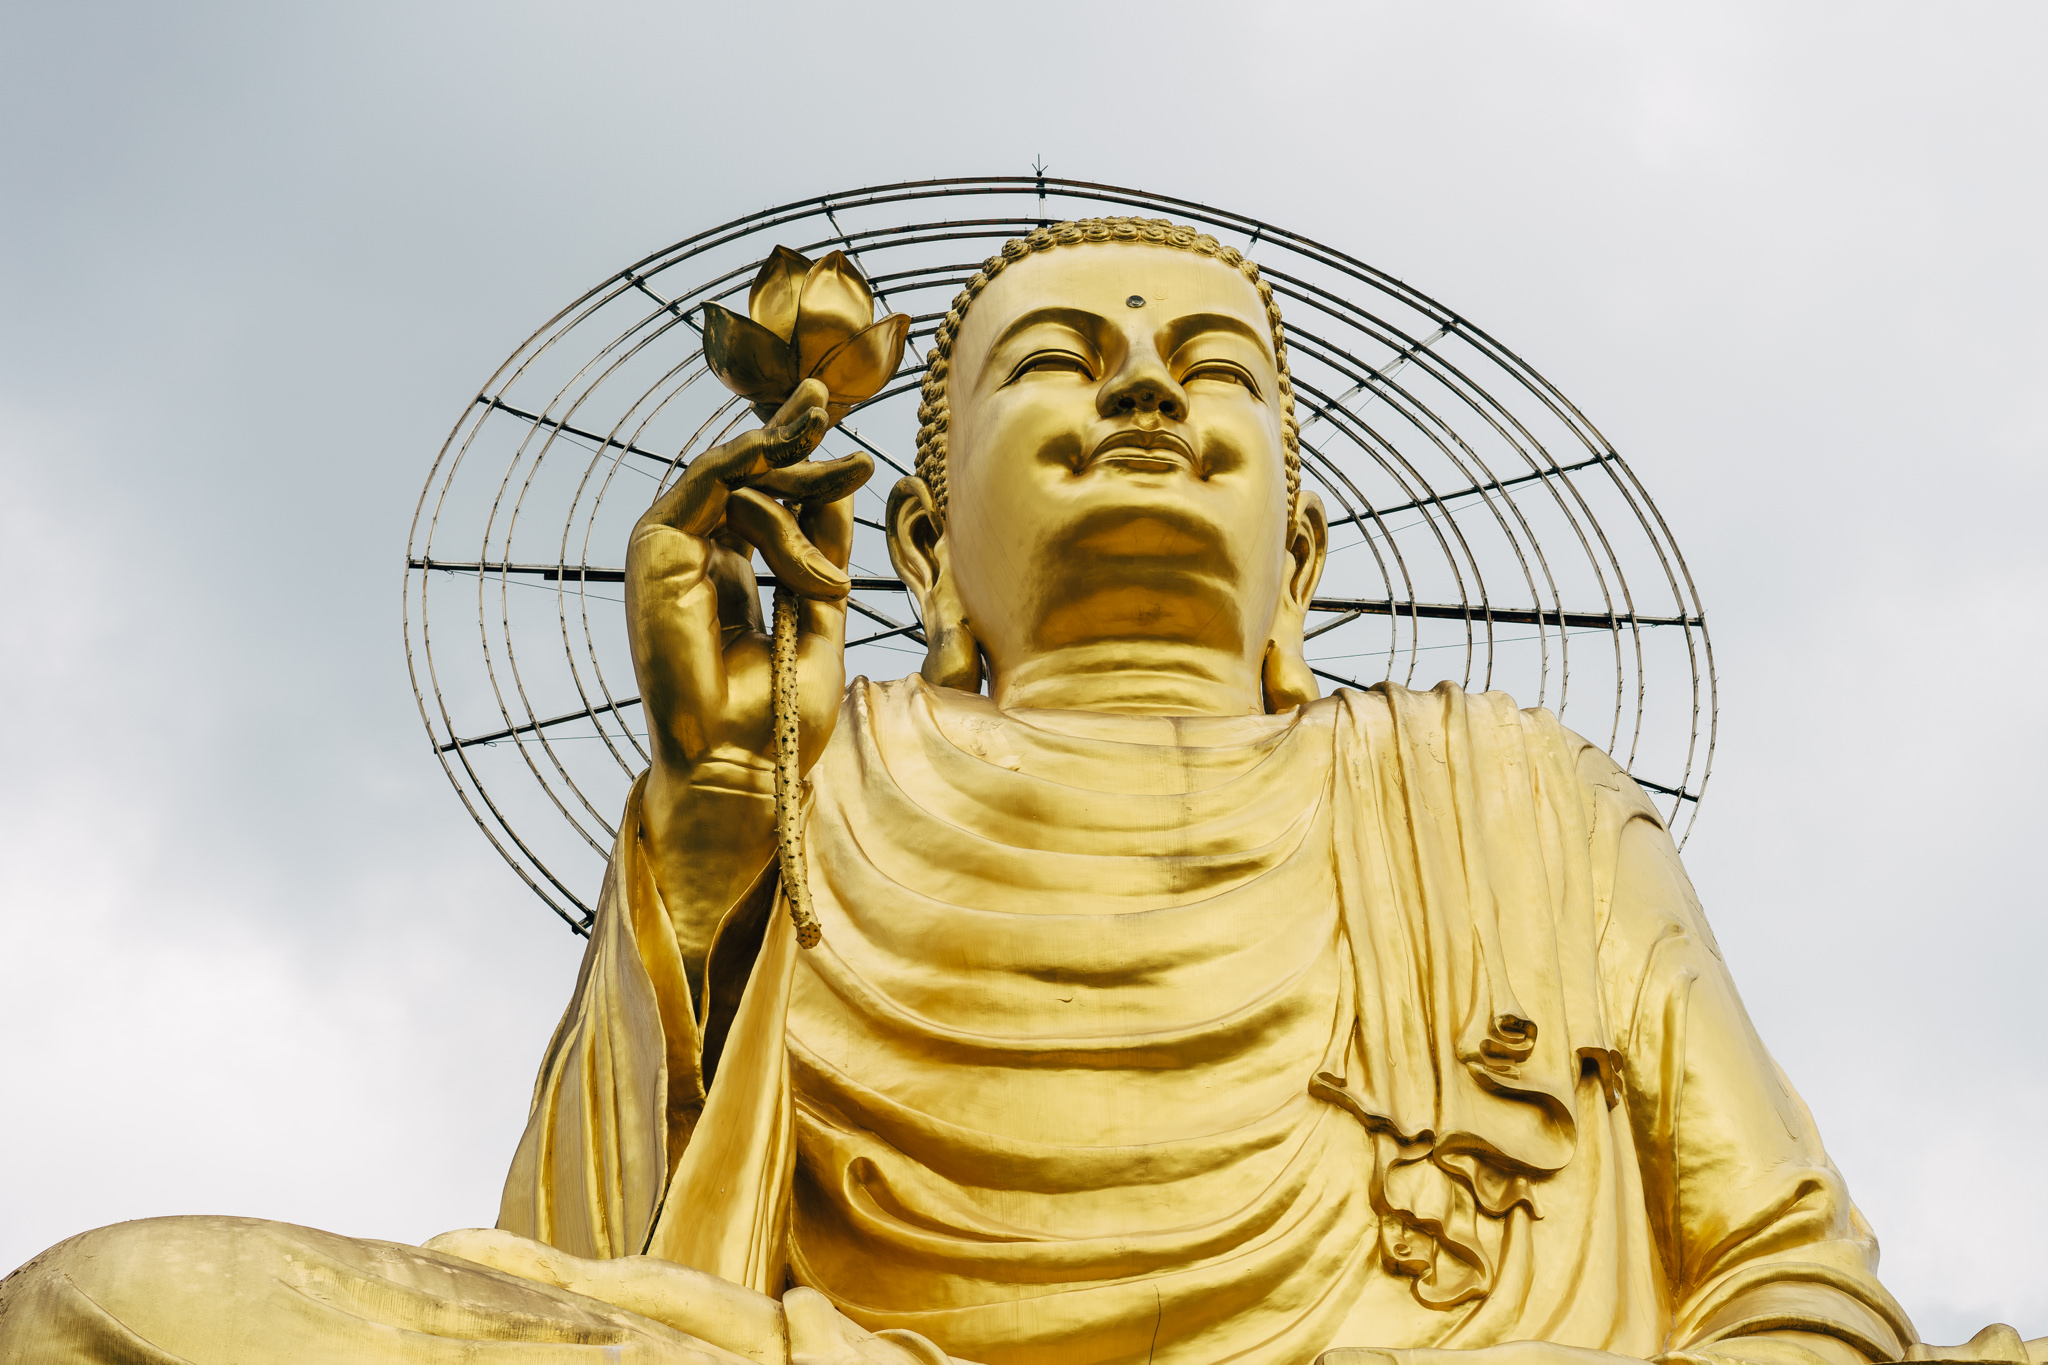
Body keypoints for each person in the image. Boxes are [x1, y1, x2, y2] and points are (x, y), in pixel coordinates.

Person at [2, 217, 2031, 1365]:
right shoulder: (827, 772)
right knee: (107, 1309)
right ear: (917, 548)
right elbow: (624, 1254)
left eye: (1212, 369)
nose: (1144, 391)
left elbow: (1783, 1272)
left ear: (1301, 555)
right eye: (1060, 362)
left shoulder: (1513, 790)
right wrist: (713, 822)